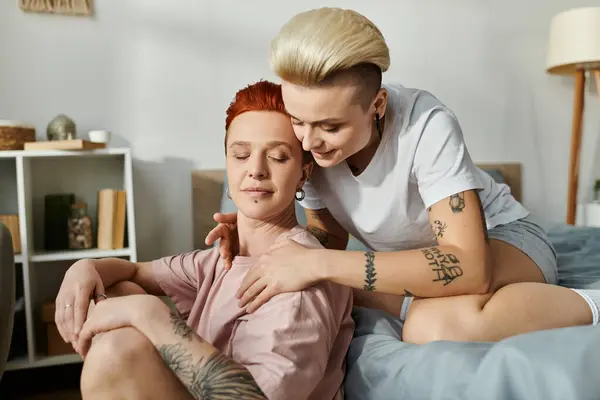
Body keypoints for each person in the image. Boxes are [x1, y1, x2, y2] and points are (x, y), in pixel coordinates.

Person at [206, 7, 600, 346]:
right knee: (354, 298)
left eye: (330, 126)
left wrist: (318, 264)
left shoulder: (426, 126)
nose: (309, 142)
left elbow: (469, 267)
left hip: (499, 242)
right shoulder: (306, 140)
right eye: (298, 121)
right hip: (411, 262)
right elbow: (328, 237)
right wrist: (258, 236)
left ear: (377, 105)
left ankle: (593, 306)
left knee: (431, 326)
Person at [54, 81, 354, 400]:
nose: (255, 170)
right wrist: (83, 267)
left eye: (278, 157)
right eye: (240, 155)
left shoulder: (300, 285)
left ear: (304, 174)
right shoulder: (220, 258)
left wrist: (151, 315)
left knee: (117, 348)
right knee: (119, 291)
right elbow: (129, 273)